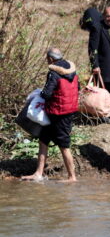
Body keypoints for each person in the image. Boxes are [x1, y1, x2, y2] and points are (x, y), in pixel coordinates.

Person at [22, 48, 78, 182]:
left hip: (58, 113)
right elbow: (78, 88)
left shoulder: (54, 73)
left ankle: (72, 177)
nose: (47, 61)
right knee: (43, 139)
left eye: (47, 59)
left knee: (64, 145)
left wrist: (39, 94)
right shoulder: (73, 70)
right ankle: (38, 173)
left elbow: (47, 93)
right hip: (64, 111)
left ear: (51, 59)